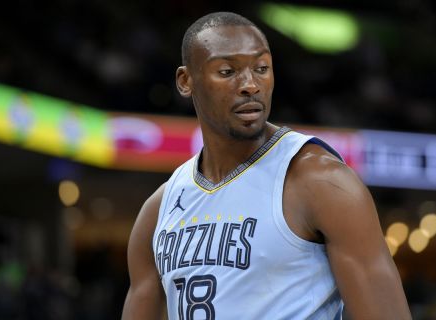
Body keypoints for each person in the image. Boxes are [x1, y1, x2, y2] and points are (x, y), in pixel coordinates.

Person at [121, 12, 412, 320]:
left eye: (261, 69)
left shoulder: (321, 183)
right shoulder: (158, 211)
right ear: (185, 81)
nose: (250, 84)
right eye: (227, 70)